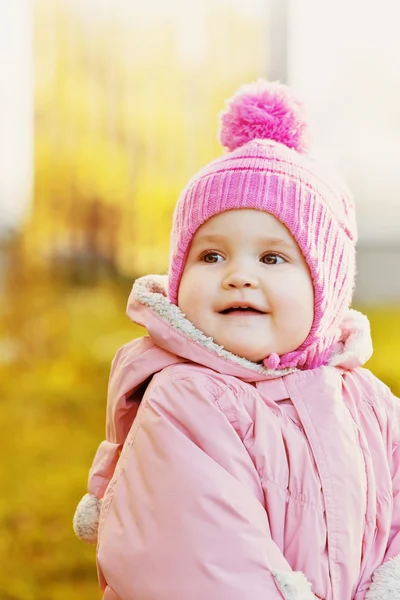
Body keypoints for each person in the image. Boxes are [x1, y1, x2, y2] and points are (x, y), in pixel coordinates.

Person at [73, 80, 400, 600]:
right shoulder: (187, 398)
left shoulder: (371, 403)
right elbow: (200, 562)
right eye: (211, 256)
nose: (238, 276)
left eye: (272, 258)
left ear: (327, 289)